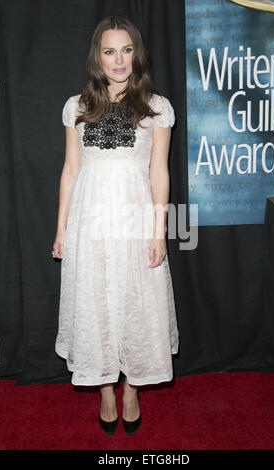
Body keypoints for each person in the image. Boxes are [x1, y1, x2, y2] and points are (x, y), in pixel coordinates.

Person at [52, 14, 179, 436]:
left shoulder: (157, 107)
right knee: (95, 304)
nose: (119, 60)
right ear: (97, 56)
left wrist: (159, 230)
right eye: (110, 51)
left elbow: (160, 173)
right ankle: (105, 386)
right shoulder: (77, 106)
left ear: (136, 54)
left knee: (137, 306)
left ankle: (130, 388)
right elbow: (70, 170)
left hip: (133, 219)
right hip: (89, 222)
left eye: (126, 50)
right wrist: (60, 229)